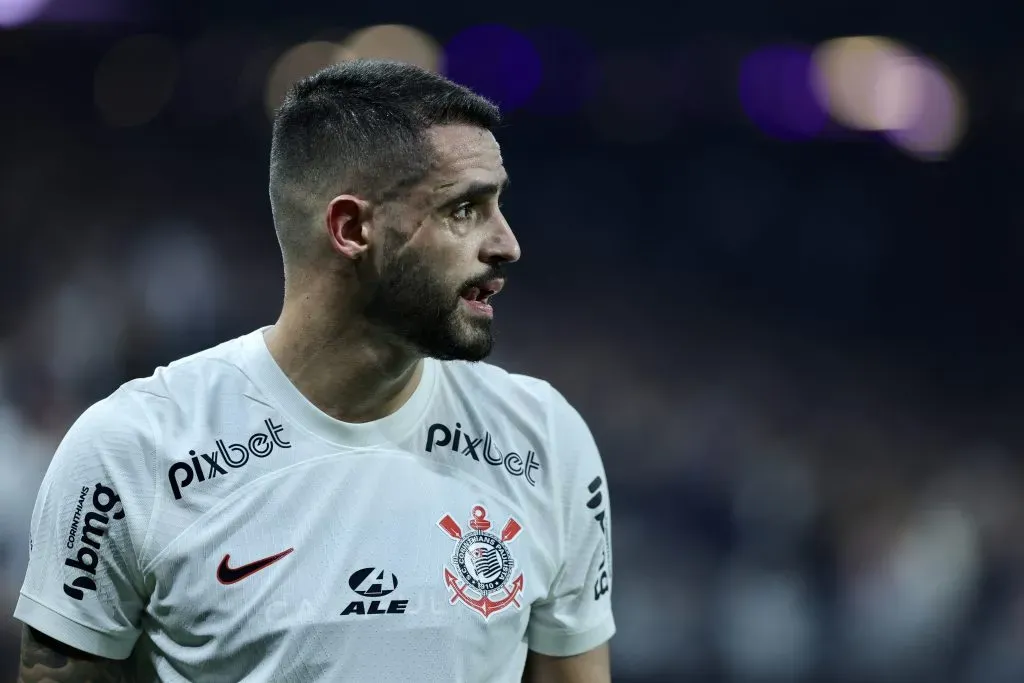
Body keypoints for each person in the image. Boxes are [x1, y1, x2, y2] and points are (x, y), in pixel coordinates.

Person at [13, 59, 615, 682]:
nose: (506, 243)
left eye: (497, 204)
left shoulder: (543, 438)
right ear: (351, 228)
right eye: (464, 209)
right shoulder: (131, 451)